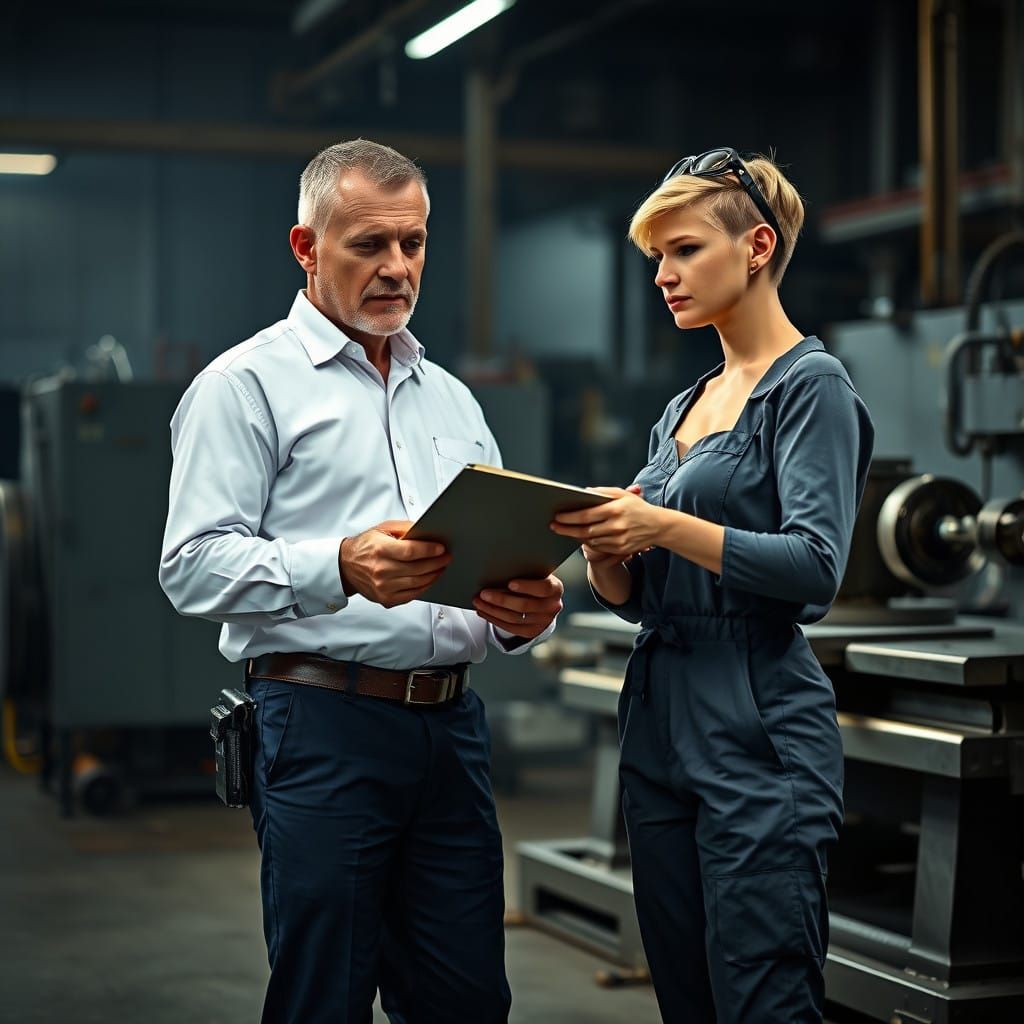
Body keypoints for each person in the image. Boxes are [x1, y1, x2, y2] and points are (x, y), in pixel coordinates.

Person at [159, 138, 563, 1024]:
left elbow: (490, 577)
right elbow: (190, 567)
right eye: (368, 245)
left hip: (452, 736)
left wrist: (521, 615)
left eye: (412, 244)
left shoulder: (452, 399)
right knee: (324, 997)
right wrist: (339, 565)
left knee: (467, 1001)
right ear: (307, 248)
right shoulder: (245, 387)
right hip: (322, 727)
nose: (397, 267)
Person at [551, 148, 874, 1024]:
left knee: (763, 996)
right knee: (687, 995)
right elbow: (647, 594)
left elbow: (813, 570)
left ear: (758, 246)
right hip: (660, 718)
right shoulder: (684, 406)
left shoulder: (811, 390)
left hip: (756, 724)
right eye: (656, 257)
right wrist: (609, 553)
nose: (663, 275)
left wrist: (662, 524)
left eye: (685, 250)